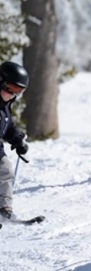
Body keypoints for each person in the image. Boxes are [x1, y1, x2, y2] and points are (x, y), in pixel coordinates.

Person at [0, 61, 30, 221]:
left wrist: (17, 140)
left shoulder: (5, 105)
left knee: (6, 170)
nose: (13, 94)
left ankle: (4, 209)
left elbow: (7, 127)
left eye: (18, 91)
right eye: (11, 89)